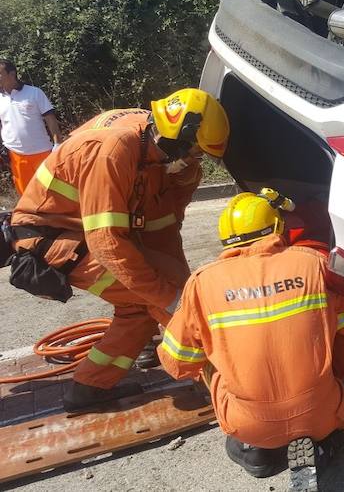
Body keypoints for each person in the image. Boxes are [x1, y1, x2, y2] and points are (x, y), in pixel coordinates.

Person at [9, 88, 229, 410]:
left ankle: (88, 387)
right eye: (195, 152)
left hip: (82, 231)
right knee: (155, 294)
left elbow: (165, 231)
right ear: (174, 139)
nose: (196, 162)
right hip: (52, 236)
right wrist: (172, 299)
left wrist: (181, 288)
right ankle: (221, 378)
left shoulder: (154, 152)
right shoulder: (116, 150)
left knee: (143, 306)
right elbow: (106, 242)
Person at [158, 188, 344, 492]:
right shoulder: (314, 264)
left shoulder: (202, 283)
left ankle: (257, 452)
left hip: (249, 423)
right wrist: (333, 373)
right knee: (327, 343)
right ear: (277, 227)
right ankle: (325, 445)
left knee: (209, 355)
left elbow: (177, 362)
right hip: (322, 410)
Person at [0, 59, 63, 194]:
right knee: (27, 196)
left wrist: (58, 143)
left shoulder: (34, 93)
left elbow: (50, 119)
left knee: (51, 193)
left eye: (0, 74)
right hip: (16, 155)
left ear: (12, 74)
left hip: (41, 152)